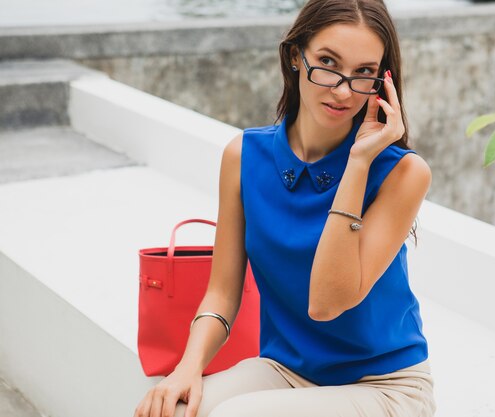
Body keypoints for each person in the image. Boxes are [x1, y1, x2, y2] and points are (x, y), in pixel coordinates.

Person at [133, 0, 434, 416]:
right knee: (171, 409)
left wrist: (358, 163)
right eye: (328, 62)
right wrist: (187, 367)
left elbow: (325, 304)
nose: (344, 90)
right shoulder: (244, 156)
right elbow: (221, 294)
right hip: (287, 370)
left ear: (382, 81)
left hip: (385, 385)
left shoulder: (402, 173)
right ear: (296, 56)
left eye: (364, 72)